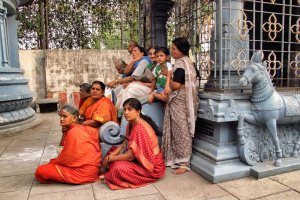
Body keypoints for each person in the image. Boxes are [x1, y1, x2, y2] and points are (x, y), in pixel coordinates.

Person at [102, 98, 165, 190]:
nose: (126, 112)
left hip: (150, 166)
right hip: (138, 159)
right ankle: (110, 172)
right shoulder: (131, 124)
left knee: (117, 167)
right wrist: (111, 155)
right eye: (124, 109)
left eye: (130, 109)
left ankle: (111, 174)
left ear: (138, 112)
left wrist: (110, 159)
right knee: (112, 151)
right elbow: (125, 144)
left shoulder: (140, 128)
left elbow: (131, 156)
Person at [35, 104, 101, 184]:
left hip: (83, 172)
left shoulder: (74, 132)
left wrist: (56, 161)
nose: (61, 119)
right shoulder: (74, 128)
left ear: (75, 118)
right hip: (90, 169)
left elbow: (67, 158)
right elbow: (64, 148)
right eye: (60, 116)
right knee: (52, 163)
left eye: (65, 116)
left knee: (41, 171)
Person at [162, 37, 199, 175]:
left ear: (181, 50)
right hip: (185, 101)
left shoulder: (180, 64)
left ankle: (184, 163)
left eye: (174, 49)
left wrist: (168, 77)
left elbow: (176, 85)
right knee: (180, 130)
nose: (172, 51)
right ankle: (178, 159)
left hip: (180, 101)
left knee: (182, 131)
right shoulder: (189, 63)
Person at [107, 46, 155, 111]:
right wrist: (134, 61)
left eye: (135, 51)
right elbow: (126, 71)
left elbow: (133, 78)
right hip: (143, 85)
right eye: (150, 54)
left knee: (129, 89)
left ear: (142, 54)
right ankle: (118, 111)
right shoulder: (137, 62)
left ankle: (123, 111)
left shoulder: (144, 62)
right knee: (122, 89)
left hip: (150, 88)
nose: (132, 53)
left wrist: (116, 81)